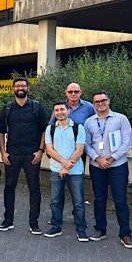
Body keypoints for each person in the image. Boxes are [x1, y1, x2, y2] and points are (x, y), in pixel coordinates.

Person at [0, 77, 48, 235]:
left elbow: (44, 130)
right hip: (12, 154)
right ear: (13, 89)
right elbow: (1, 131)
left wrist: (40, 151)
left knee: (34, 188)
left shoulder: (37, 107)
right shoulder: (7, 108)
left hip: (32, 154)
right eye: (17, 86)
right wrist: (3, 152)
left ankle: (34, 223)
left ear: (27, 88)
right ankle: (8, 220)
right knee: (9, 187)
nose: (20, 88)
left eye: (23, 85)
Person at [84, 91, 132, 248]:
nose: (100, 103)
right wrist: (98, 159)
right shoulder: (89, 122)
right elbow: (85, 144)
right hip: (96, 166)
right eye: (97, 102)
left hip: (117, 166)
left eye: (103, 100)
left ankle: (125, 233)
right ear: (93, 104)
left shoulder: (121, 119)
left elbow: (127, 143)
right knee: (99, 199)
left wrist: (111, 159)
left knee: (120, 200)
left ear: (109, 101)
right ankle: (100, 229)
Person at [43, 102, 89, 241]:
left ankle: (81, 229)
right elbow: (49, 149)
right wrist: (64, 164)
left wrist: (67, 167)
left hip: (75, 171)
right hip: (56, 170)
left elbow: (79, 150)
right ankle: (56, 226)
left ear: (68, 111)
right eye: (56, 110)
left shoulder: (78, 127)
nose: (59, 112)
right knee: (55, 201)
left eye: (62, 109)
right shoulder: (50, 128)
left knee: (79, 202)